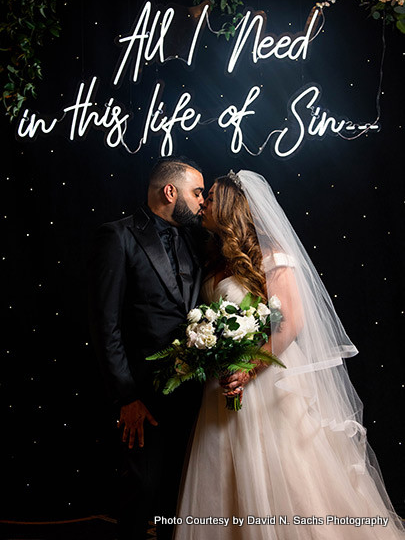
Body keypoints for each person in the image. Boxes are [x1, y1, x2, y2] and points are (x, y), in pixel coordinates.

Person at [174, 170, 405, 540]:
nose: (203, 204)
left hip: (270, 382)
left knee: (287, 475)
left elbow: (289, 324)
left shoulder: (271, 255)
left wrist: (248, 367)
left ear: (231, 205)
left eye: (211, 197)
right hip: (224, 387)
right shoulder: (214, 259)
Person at [88, 156, 205, 540]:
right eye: (197, 192)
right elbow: (107, 325)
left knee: (179, 491)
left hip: (192, 394)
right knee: (142, 491)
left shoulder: (192, 239)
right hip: (144, 398)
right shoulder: (117, 235)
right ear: (170, 192)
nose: (203, 201)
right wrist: (127, 397)